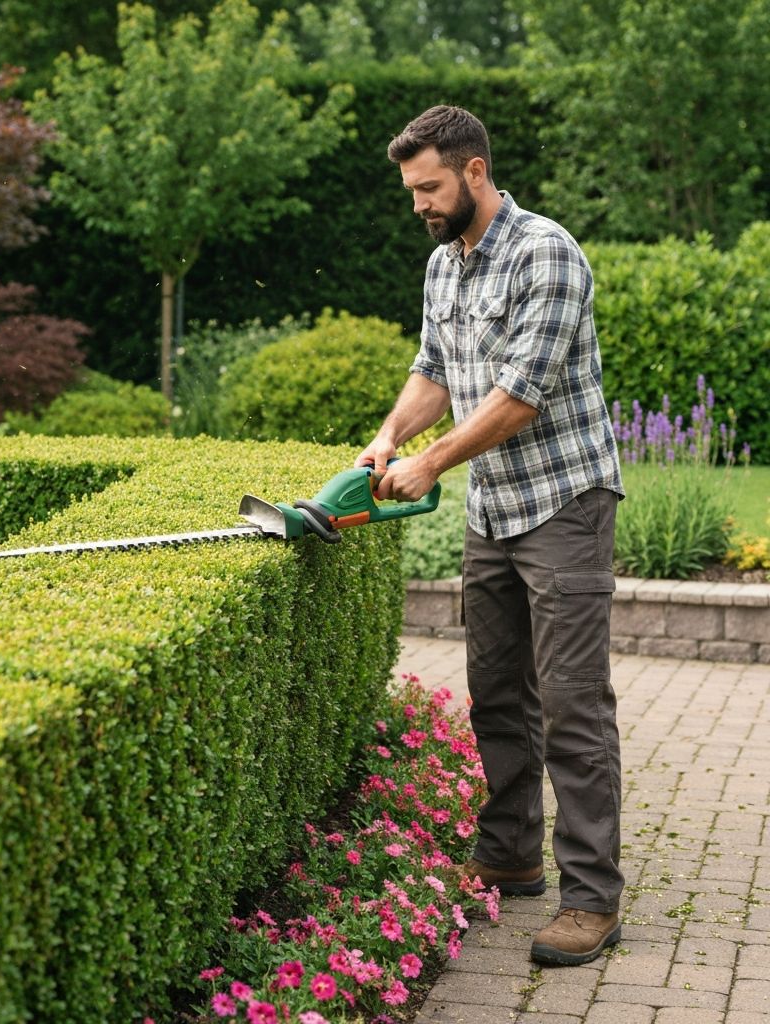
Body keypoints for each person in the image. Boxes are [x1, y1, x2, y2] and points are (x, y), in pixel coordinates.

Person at [358, 105, 625, 967]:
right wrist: (393, 436)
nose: (419, 205)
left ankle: (592, 899)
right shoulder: (445, 263)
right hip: (494, 513)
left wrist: (431, 464)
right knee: (497, 692)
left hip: (564, 503)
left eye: (429, 187)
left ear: (474, 172)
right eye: (410, 191)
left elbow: (518, 396)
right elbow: (434, 369)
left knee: (574, 704)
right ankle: (511, 855)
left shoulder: (545, 251)